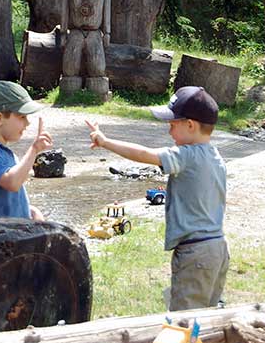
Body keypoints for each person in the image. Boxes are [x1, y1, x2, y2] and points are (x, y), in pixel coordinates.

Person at [86, 86, 228, 311]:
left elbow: (144, 154)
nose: (170, 132)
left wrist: (105, 142)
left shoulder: (188, 156)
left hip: (195, 253)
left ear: (190, 125)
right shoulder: (214, 156)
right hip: (217, 248)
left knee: (185, 323)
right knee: (207, 317)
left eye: (172, 125)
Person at [0, 80, 52, 221]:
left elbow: (10, 199)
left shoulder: (5, 153)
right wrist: (34, 150)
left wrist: (30, 211)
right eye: (22, 117)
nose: (27, 123)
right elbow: (12, 183)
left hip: (9, 232)